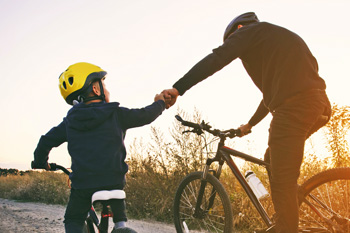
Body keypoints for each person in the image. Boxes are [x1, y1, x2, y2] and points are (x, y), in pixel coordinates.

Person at [162, 12, 331, 233]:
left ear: (238, 29)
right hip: (319, 104)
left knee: (282, 179)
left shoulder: (248, 32)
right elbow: (271, 96)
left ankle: (286, 225)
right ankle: (292, 202)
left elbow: (217, 59)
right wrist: (250, 124)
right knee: (274, 159)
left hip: (294, 109)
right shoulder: (276, 38)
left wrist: (178, 88)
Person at [33, 62, 170, 233]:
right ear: (97, 90)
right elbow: (145, 115)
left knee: (74, 219)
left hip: (83, 186)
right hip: (114, 181)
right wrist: (160, 103)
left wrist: (41, 162)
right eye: (104, 84)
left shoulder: (70, 122)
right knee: (117, 197)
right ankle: (120, 225)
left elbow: (46, 141)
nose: (106, 88)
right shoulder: (116, 114)